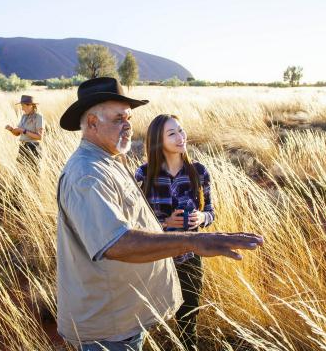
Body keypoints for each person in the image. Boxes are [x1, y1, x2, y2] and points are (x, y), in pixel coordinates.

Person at [56, 77, 264, 351]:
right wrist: (193, 241)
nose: (128, 125)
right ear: (92, 123)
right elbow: (116, 243)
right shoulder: (88, 173)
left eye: (129, 118)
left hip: (125, 316)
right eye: (119, 119)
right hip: (110, 327)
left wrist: (198, 225)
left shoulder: (109, 161)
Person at [135, 114, 214, 350]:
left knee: (188, 319)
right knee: (147, 318)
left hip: (190, 256)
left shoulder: (198, 172)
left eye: (181, 130)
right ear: (158, 141)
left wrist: (202, 217)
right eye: (172, 134)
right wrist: (164, 222)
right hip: (155, 258)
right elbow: (134, 221)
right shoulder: (143, 175)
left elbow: (210, 211)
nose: (181, 137)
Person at [5, 95, 44, 168]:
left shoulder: (38, 117)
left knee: (33, 171)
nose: (22, 109)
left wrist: (23, 130)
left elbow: (39, 137)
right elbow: (18, 134)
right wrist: (11, 130)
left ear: (30, 105)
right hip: (22, 147)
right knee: (20, 170)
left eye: (23, 106)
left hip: (33, 148)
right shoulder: (24, 117)